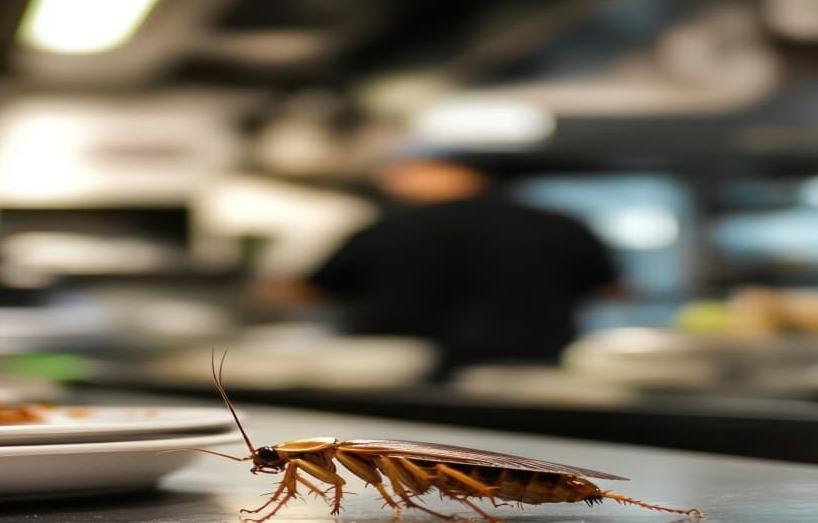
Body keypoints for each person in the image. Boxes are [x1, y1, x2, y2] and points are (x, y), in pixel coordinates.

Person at [260, 148, 621, 381]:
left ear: (451, 171)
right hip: (530, 371)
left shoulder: (389, 227)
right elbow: (612, 291)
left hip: (404, 376)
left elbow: (309, 292)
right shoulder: (559, 224)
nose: (394, 178)